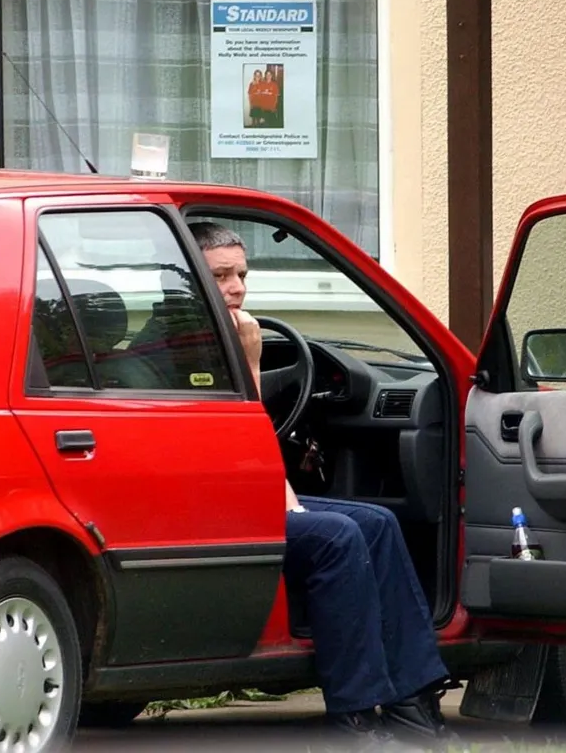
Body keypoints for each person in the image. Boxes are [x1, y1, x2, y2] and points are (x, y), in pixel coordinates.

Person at [188, 221, 462, 749]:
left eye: (241, 273)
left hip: (247, 493)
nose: (237, 287)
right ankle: (356, 719)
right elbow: (244, 443)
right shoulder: (194, 343)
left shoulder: (229, 329)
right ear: (191, 274)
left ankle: (414, 704)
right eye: (221, 275)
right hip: (212, 507)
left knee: (379, 523)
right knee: (337, 537)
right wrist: (251, 359)